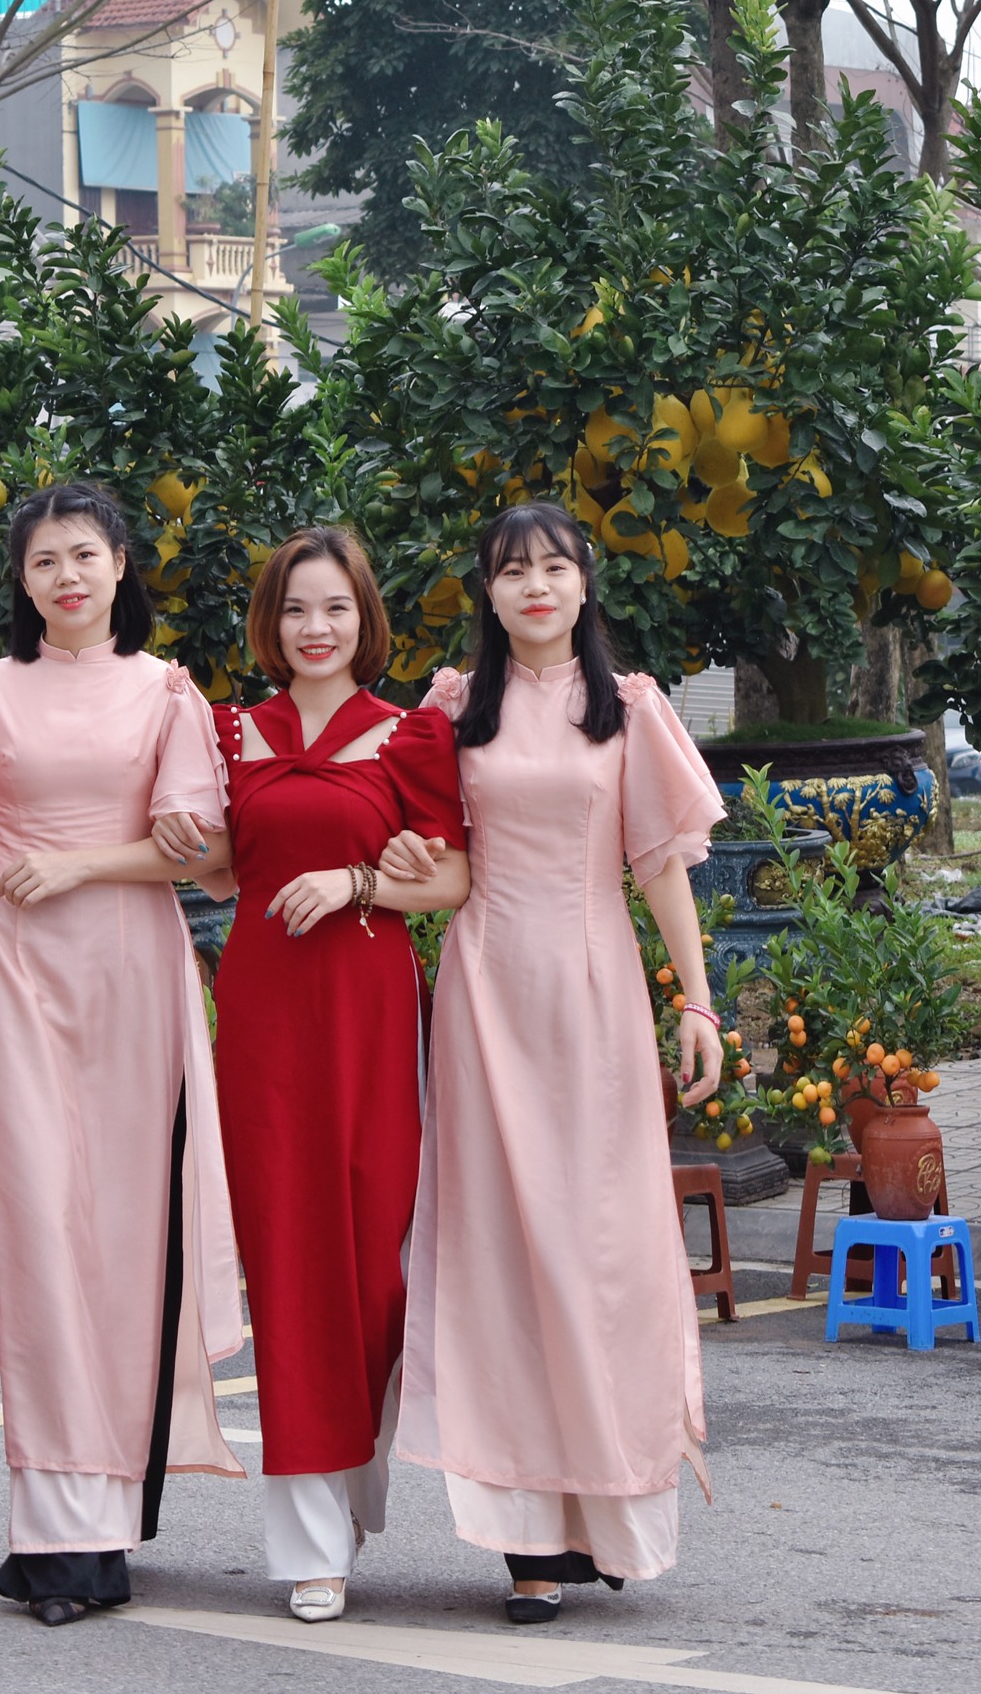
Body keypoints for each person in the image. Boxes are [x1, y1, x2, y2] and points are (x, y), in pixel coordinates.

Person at [382, 501, 726, 1625]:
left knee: (605, 1254)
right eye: (511, 570)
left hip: (595, 998)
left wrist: (699, 1003)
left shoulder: (626, 710)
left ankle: (609, 1508)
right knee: (502, 1259)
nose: (535, 586)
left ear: (586, 583)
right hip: (483, 997)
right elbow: (422, 845)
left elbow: (662, 863)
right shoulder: (448, 709)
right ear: (485, 592)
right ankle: (532, 1539)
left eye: (555, 567)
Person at [0, 480, 244, 1629]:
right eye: (43, 559)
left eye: (84, 553)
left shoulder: (167, 693)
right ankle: (59, 1532)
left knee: (125, 1234)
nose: (65, 574)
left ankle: (111, 1506)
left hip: (132, 974)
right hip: (14, 972)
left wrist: (75, 863)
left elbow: (194, 853)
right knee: (41, 1235)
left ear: (121, 564)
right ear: (21, 580)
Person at [204, 528, 469, 1623]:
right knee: (293, 1268)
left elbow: (449, 880)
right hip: (264, 1021)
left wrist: (362, 876)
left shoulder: (408, 735)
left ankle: (352, 1466)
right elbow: (213, 861)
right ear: (272, 623)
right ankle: (310, 1541)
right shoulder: (229, 732)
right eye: (297, 610)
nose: (317, 629)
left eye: (337, 610)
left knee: (370, 1264)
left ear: (367, 620)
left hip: (369, 1020)